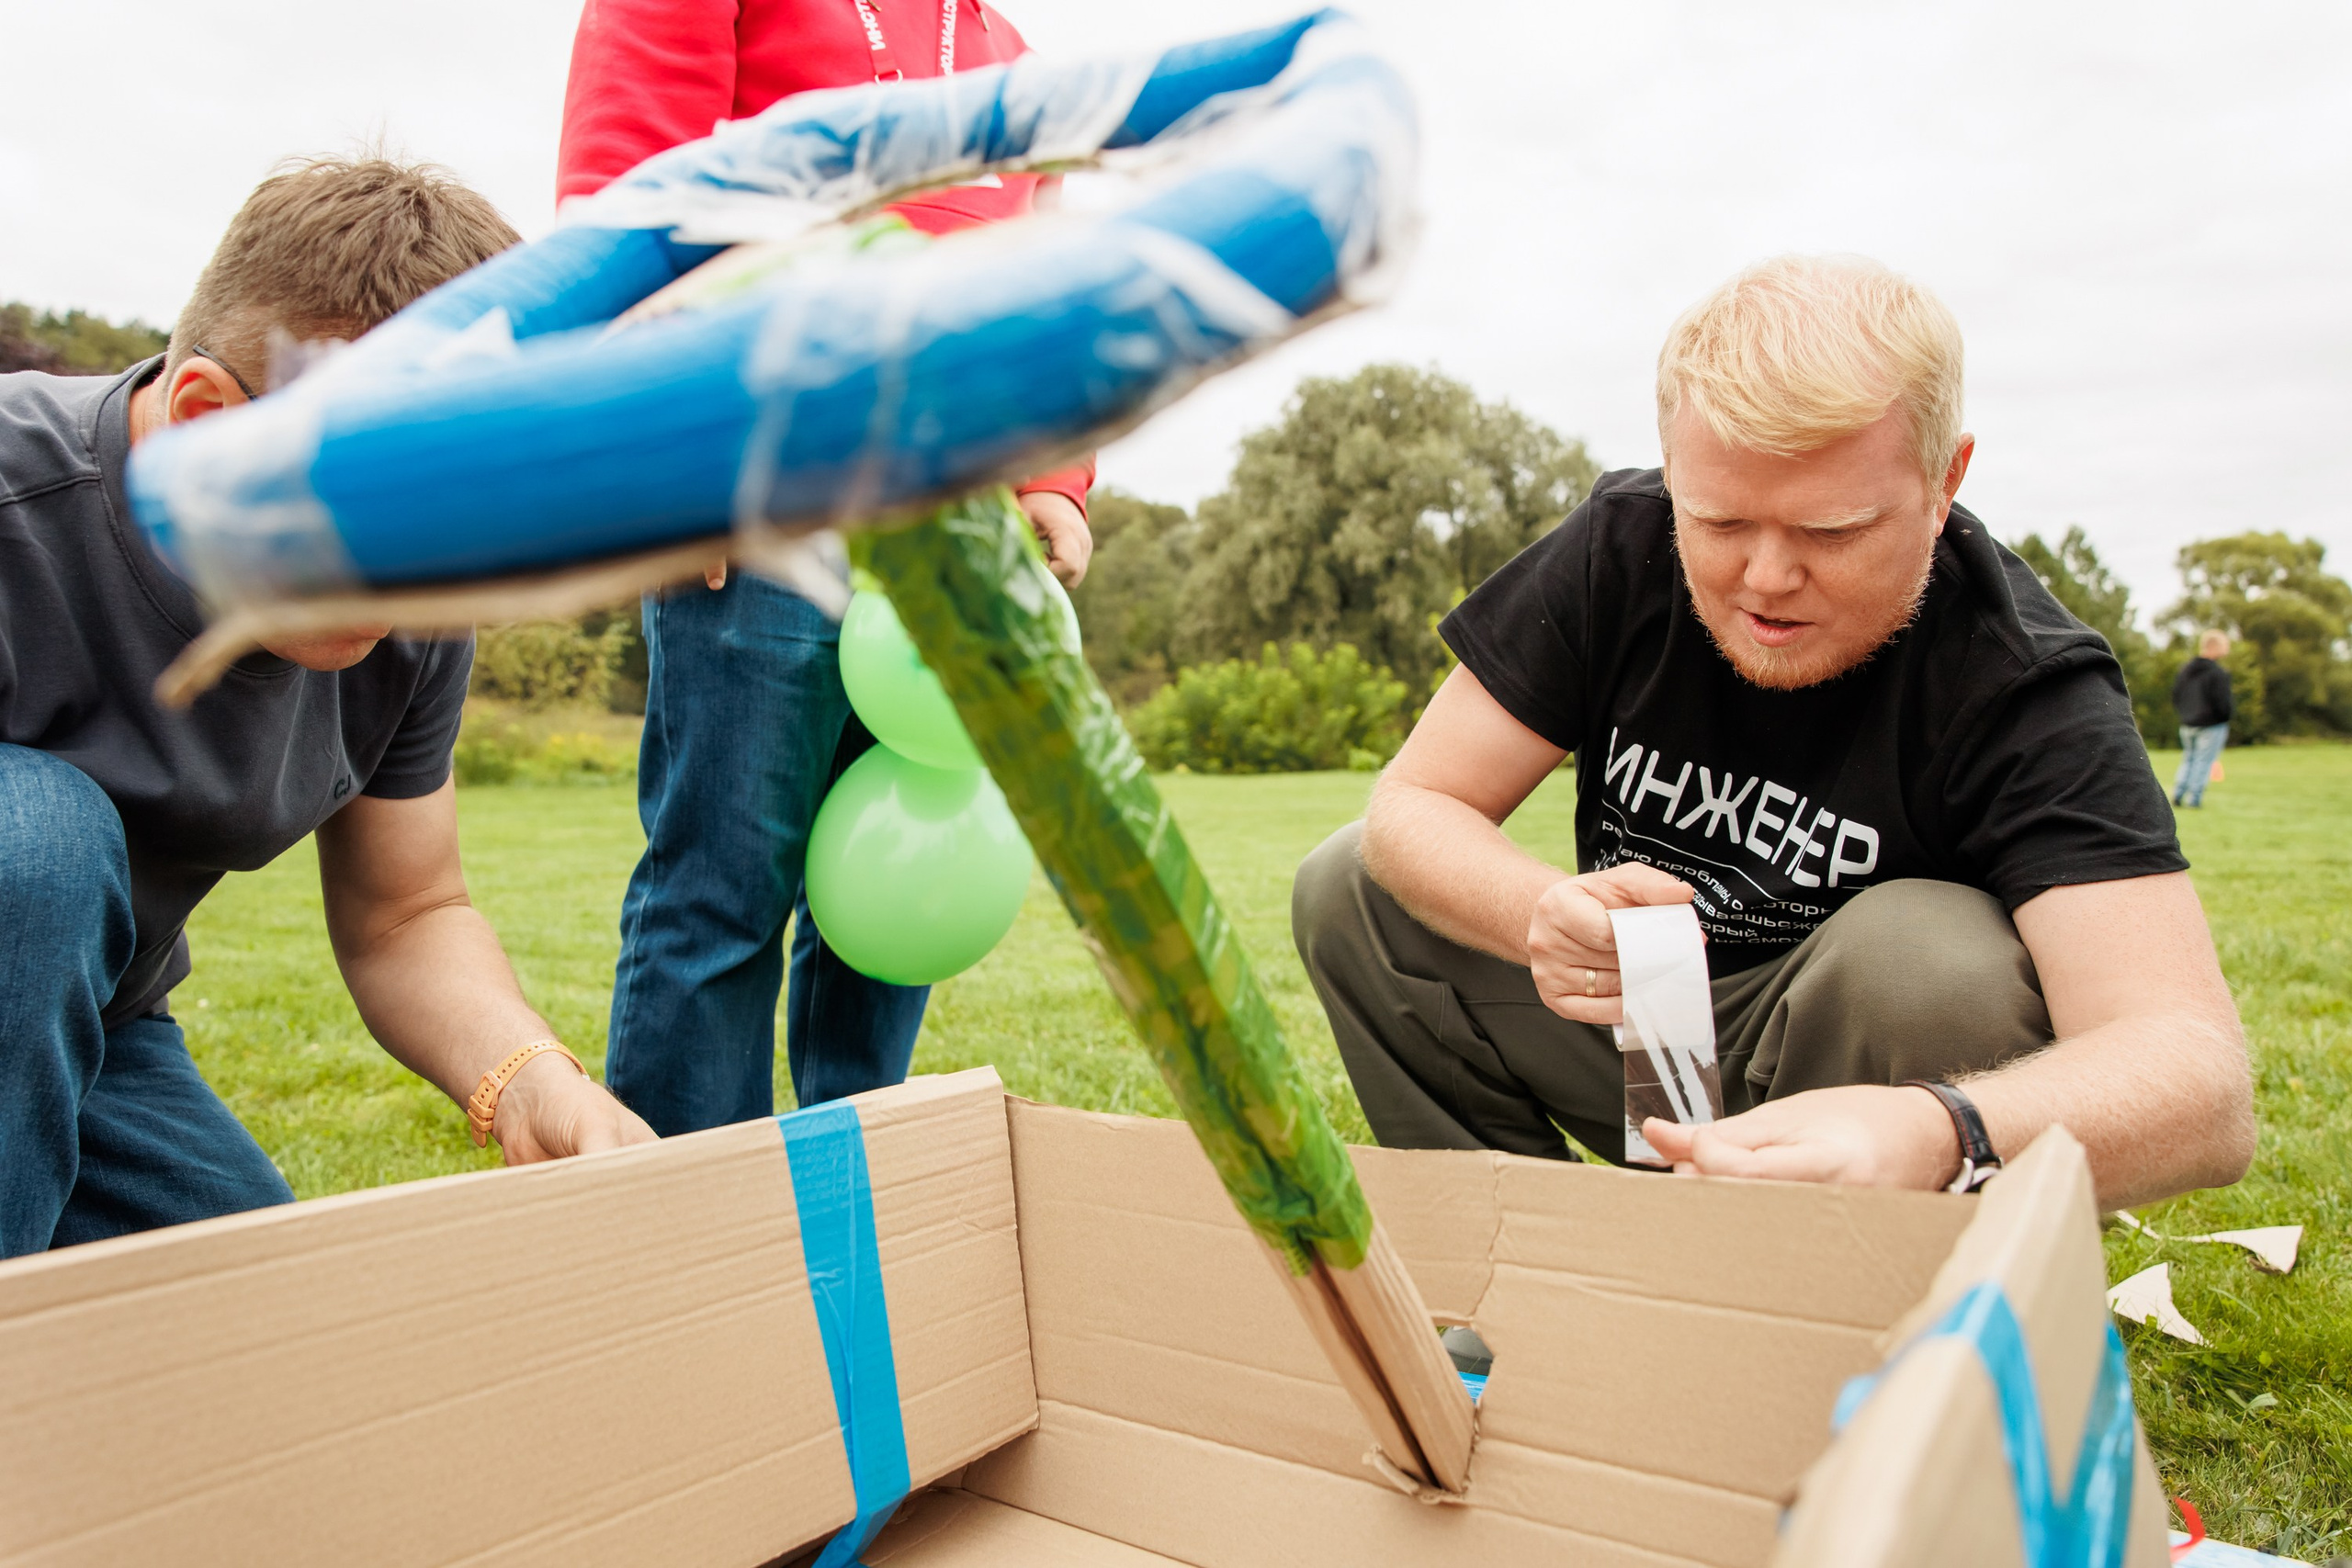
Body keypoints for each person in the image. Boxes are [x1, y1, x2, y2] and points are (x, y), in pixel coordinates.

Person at [1293, 255, 2254, 1210]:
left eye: (1831, 531)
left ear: (1943, 477)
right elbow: (1414, 804)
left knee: (1929, 957)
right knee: (1350, 886)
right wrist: (1540, 911)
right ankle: (1521, 1270)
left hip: (1867, 1087)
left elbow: (2197, 1081)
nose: (1764, 578)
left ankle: (1860, 1290)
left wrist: (1934, 1131)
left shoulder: (2023, 680)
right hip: (1641, 1022)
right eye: (1716, 520)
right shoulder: (1616, 548)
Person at [0, 158, 657, 1259]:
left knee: (277, 1345)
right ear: (209, 419)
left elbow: (406, 914)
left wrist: (528, 1077)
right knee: (40, 841)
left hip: (95, 1030)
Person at [557, 0, 1096, 1134]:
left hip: (950, 533)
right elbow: (631, 200)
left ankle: (849, 1205)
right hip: (762, 500)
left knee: (898, 892)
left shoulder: (1014, 62)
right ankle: (698, 1229)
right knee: (724, 893)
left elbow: (1046, 290)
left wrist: (1052, 479)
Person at [2171, 631, 2233, 808]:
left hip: (2188, 723)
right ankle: (2194, 798)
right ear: (2214, 646)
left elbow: (2176, 695)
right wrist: (2224, 717)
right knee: (2203, 761)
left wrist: (2184, 714)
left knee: (2189, 758)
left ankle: (2178, 793)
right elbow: (2222, 702)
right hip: (2211, 724)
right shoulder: (2216, 673)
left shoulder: (2186, 670)